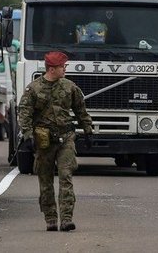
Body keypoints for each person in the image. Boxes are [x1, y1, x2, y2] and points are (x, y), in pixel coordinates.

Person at [17, 51, 93, 232]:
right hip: (44, 141)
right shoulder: (33, 89)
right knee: (45, 180)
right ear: (51, 69)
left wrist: (88, 130)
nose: (65, 69)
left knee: (66, 175)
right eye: (62, 66)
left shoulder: (70, 87)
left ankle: (66, 219)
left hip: (66, 138)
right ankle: (50, 218)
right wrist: (27, 136)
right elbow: (24, 114)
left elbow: (80, 110)